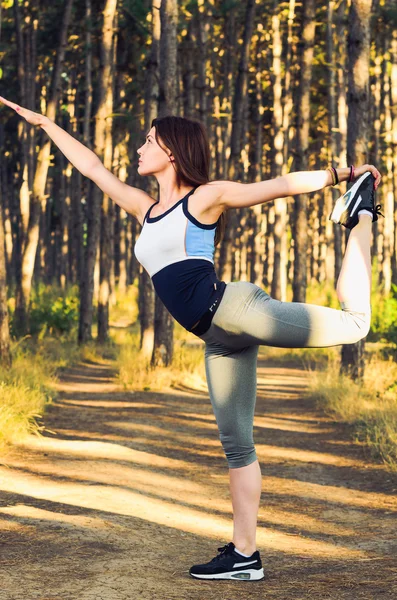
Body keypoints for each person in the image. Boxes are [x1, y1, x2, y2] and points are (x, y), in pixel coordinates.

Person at [0, 99, 382, 582]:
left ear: (172, 152)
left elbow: (276, 188)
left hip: (237, 310)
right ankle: (245, 556)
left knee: (355, 326)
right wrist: (45, 124)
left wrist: (344, 174)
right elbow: (93, 168)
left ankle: (364, 215)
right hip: (217, 338)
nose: (138, 148)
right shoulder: (147, 208)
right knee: (236, 446)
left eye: (147, 140)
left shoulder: (203, 198)